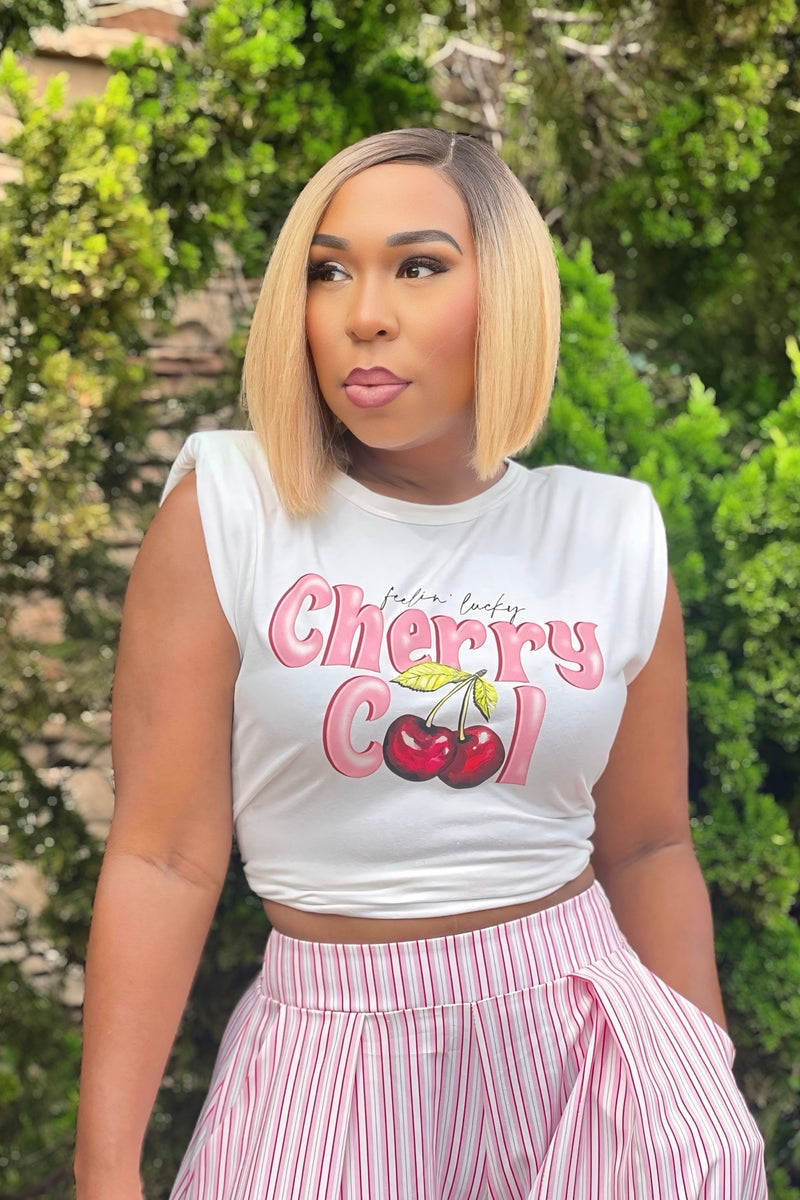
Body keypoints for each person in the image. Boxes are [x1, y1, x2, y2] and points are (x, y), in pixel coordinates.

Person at [74, 128, 767, 1199]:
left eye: (417, 266)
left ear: (508, 296)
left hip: (587, 1058)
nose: (363, 314)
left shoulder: (607, 531)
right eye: (328, 271)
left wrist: (703, 1082)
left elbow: (646, 847)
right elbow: (163, 858)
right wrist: (105, 1171)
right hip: (324, 1053)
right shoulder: (230, 507)